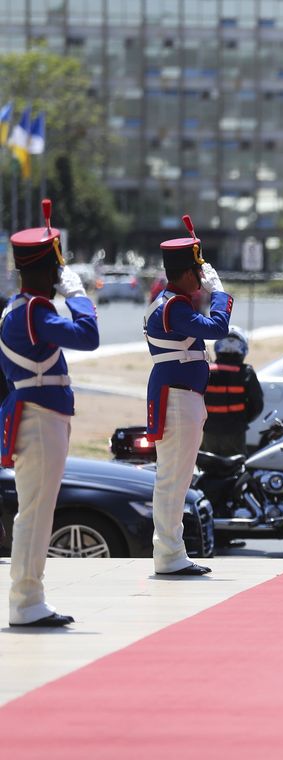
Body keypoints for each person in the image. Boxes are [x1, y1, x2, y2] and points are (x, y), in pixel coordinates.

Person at [3, 200, 99, 627]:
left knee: (36, 511)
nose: (60, 278)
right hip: (39, 418)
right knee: (36, 513)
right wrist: (77, 294)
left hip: (39, 415)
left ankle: (30, 597)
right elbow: (88, 335)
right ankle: (26, 602)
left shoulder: (16, 307)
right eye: (57, 271)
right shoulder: (33, 311)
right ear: (44, 270)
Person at [145, 215, 232, 576]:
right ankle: (168, 554)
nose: (201, 279)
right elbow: (218, 328)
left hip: (183, 398)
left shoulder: (173, 301)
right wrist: (220, 292)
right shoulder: (173, 306)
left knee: (177, 478)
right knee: (173, 479)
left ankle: (172, 552)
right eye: (197, 273)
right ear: (183, 273)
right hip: (178, 399)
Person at [201, 327, 263, 457]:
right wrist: (242, 420)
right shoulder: (246, 372)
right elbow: (257, 405)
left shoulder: (206, 370)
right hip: (234, 432)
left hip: (209, 431)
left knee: (207, 468)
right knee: (235, 470)